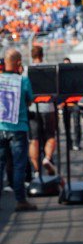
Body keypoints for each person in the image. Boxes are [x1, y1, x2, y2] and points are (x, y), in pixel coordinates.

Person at [0, 48, 37, 211]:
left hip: (0, 127)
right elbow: (29, 100)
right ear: (19, 63)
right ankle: (21, 200)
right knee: (19, 165)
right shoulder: (23, 80)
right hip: (18, 128)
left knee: (0, 164)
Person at [28, 45, 57, 176]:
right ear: (42, 55)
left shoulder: (27, 70)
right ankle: (47, 158)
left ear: (32, 55)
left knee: (34, 139)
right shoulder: (49, 69)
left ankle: (36, 170)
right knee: (50, 136)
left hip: (33, 108)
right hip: (48, 108)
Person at [61, 57, 82, 150]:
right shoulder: (61, 78)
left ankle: (77, 143)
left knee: (77, 124)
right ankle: (69, 144)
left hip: (75, 103)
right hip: (65, 104)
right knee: (66, 126)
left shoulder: (76, 77)